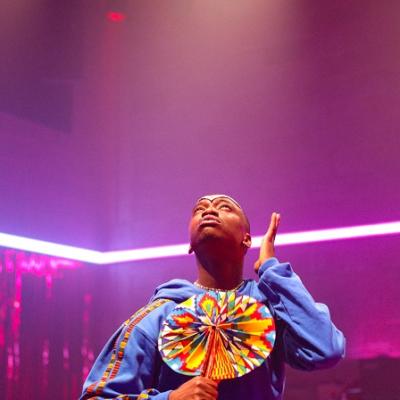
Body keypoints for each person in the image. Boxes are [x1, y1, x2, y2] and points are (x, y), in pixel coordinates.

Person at [80, 194, 345, 400]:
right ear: (190, 243)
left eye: (224, 207)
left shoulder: (269, 308)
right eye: (199, 209)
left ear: (247, 239)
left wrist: (271, 269)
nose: (208, 210)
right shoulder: (160, 315)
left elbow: (325, 350)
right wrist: (170, 399)